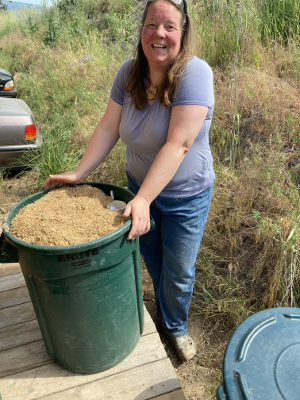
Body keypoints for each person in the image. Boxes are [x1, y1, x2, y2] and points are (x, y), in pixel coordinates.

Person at [44, 0, 214, 361]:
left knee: (179, 268)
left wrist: (144, 200)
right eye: (152, 24)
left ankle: (175, 326)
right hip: (139, 187)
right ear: (141, 31)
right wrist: (79, 172)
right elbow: (108, 127)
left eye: (170, 26)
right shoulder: (128, 73)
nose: (160, 34)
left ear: (183, 33)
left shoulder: (195, 74)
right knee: (150, 253)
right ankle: (164, 311)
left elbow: (179, 143)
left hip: (186, 195)